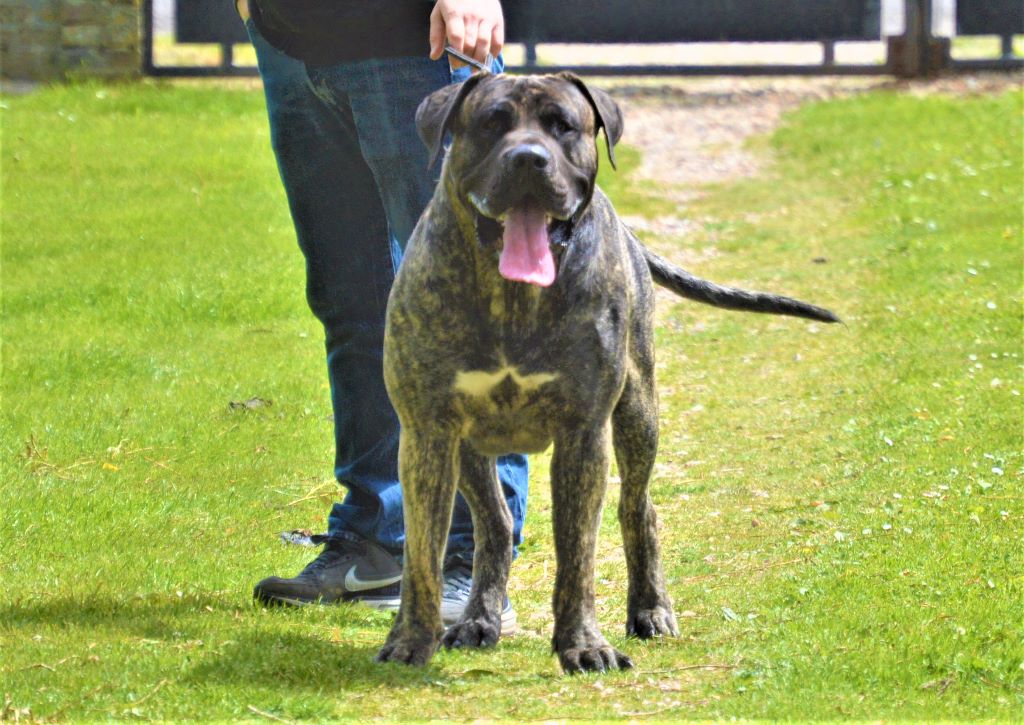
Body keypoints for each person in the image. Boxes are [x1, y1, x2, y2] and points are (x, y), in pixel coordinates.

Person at [237, 0, 528, 629]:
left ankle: (473, 559)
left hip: (417, 44)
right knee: (353, 301)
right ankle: (377, 539)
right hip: (294, 44)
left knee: (466, 306)